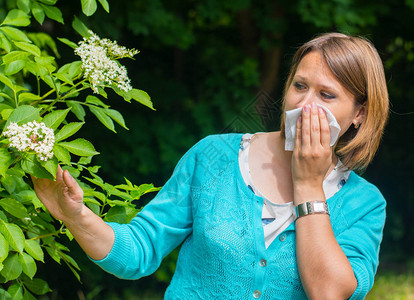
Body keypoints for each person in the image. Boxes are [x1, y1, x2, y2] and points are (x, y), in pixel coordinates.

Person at [32, 32, 389, 299]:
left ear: (359, 113)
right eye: (299, 86)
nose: (305, 104)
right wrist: (76, 216)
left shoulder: (365, 204)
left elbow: (330, 292)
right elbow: (138, 251)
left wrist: (309, 185)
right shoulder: (213, 158)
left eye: (327, 95)